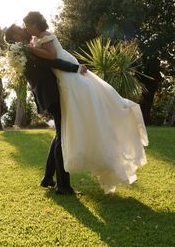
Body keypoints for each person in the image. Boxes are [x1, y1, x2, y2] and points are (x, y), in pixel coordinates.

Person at [23, 11, 149, 193]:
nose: (27, 28)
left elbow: (51, 57)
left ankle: (56, 180)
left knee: (72, 123)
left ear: (36, 24)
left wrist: (31, 50)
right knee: (62, 130)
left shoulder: (45, 36)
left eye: (28, 24)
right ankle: (51, 177)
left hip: (70, 78)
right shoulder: (36, 39)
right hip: (65, 79)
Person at [4, 23, 87, 195]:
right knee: (62, 136)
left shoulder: (24, 49)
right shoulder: (25, 50)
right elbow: (51, 61)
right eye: (20, 29)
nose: (24, 29)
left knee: (59, 134)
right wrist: (76, 68)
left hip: (47, 93)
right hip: (50, 93)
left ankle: (48, 177)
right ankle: (63, 186)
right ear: (16, 37)